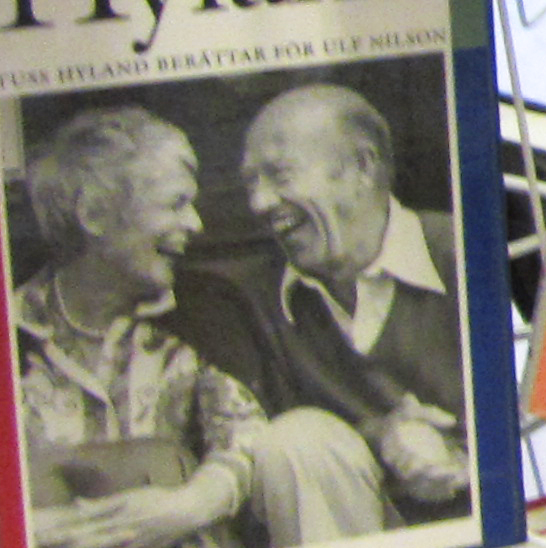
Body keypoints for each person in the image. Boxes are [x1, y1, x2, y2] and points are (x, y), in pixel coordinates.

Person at [11, 105, 422, 548]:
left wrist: (187, 506)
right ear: (95, 215)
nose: (195, 224)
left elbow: (249, 436)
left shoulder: (204, 312)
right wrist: (30, 539)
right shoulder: (3, 336)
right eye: (175, 203)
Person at [183, 82, 477, 521]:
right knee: (297, 438)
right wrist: (384, 435)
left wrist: (459, 454)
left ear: (362, 167)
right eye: (251, 184)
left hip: (492, 535)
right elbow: (272, 448)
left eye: (281, 175)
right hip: (351, 539)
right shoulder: (253, 300)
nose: (260, 203)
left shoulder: (465, 251)